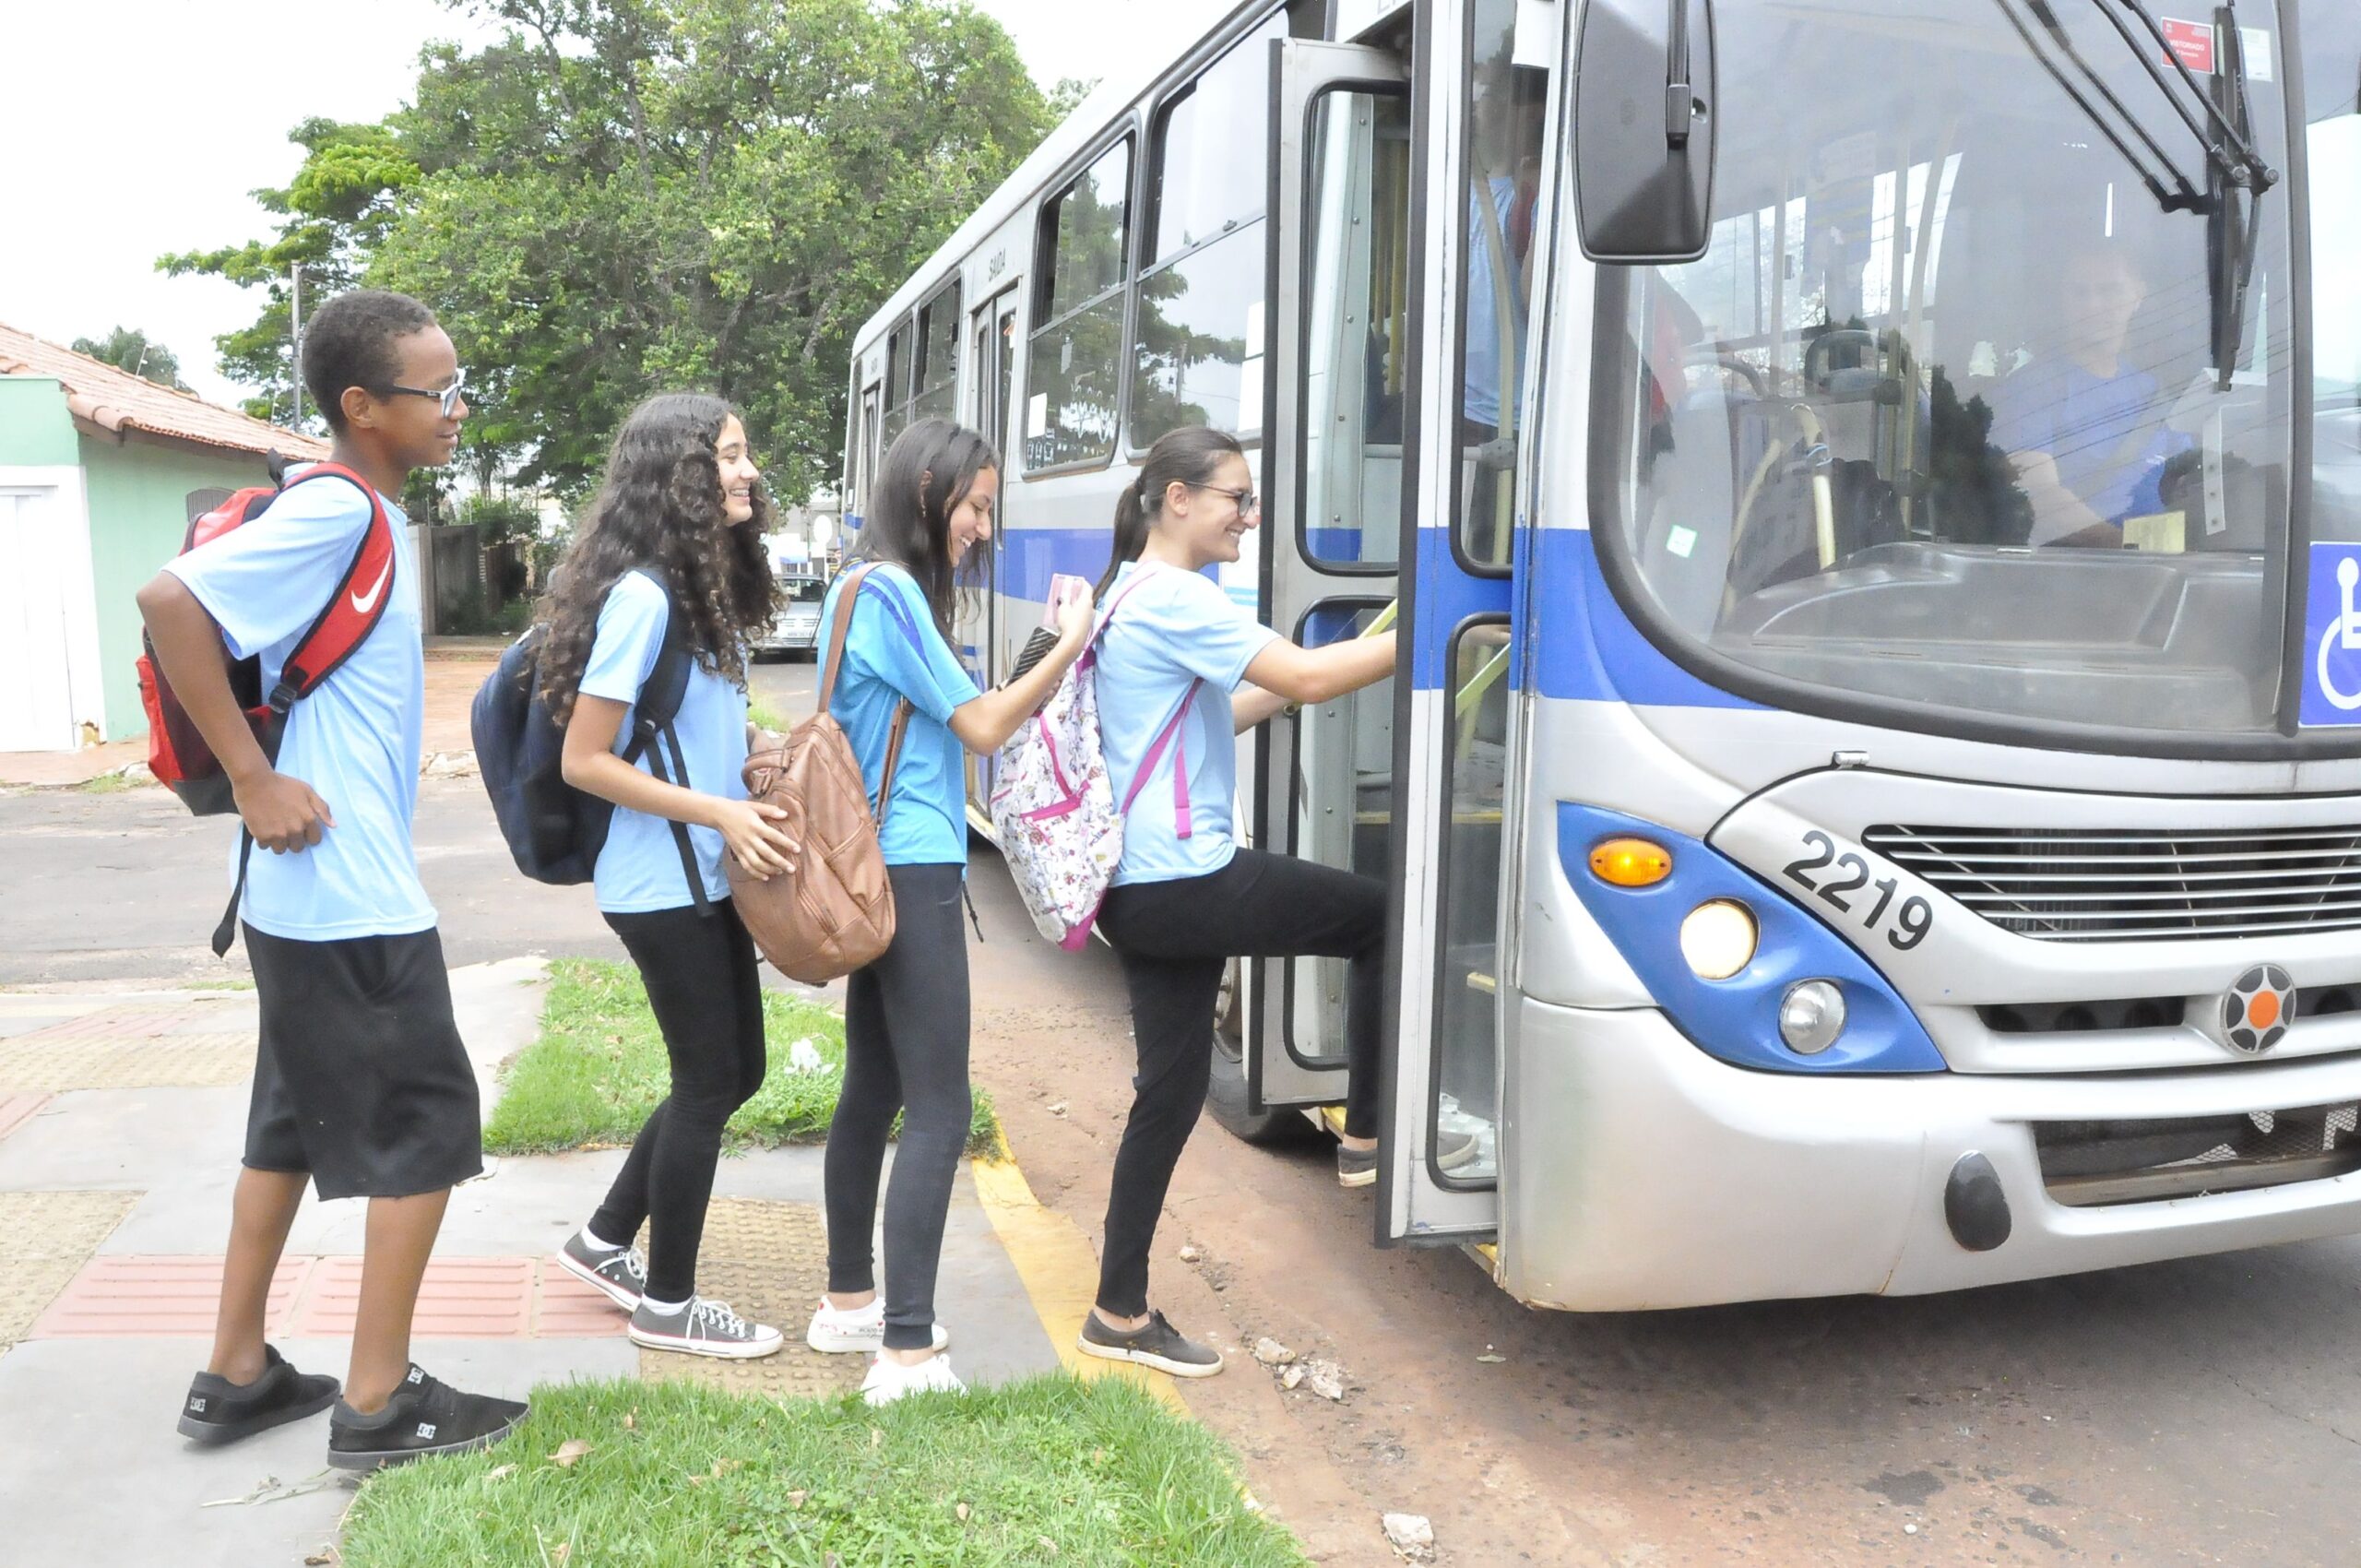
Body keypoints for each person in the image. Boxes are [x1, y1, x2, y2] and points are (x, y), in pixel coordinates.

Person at [136, 290, 528, 1468]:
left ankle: (239, 1370)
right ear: (362, 407)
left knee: (288, 1127)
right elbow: (170, 601)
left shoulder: (359, 513)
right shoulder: (341, 508)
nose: (457, 411)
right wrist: (253, 775)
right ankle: (375, 1400)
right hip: (345, 892)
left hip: (301, 895)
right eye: (436, 391)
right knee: (431, 1124)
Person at [1076, 426, 1472, 1382]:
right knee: (1380, 916)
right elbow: (1297, 671)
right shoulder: (1174, 594)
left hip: (1139, 886)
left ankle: (1116, 1308)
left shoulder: (1130, 590)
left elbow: (1231, 704)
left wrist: (1292, 691)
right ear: (1175, 498)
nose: (1250, 518)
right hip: (1185, 879)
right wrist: (1437, 629)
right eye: (1236, 498)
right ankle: (1369, 1140)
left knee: (1165, 1099)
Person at [807, 418, 1094, 1405]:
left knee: (872, 1090)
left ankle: (849, 1299)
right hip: (915, 866)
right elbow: (980, 724)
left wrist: (1032, 658)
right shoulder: (888, 589)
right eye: (974, 505)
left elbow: (956, 710)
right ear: (928, 490)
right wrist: (1073, 648)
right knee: (940, 1107)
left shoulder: (857, 588)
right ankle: (906, 1349)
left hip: (874, 870)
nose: (980, 526)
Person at [538, 393, 801, 1359]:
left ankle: (606, 1236)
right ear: (677, 476)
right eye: (728, 457)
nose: (747, 472)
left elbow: (694, 729)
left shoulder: (700, 593)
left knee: (740, 1070)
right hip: (659, 885)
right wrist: (724, 811)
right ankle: (670, 1304)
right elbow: (585, 759)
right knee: (705, 1083)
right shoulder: (645, 597)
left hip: (706, 877)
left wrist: (760, 751)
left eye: (745, 454)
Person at [1991, 243, 2192, 547]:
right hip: (2073, 573)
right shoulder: (2031, 390)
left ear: (2138, 295)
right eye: (2079, 293)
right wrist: (2127, 550)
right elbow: (2041, 497)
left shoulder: (2152, 392)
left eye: (2108, 291)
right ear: (2062, 300)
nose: (2093, 305)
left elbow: (2190, 479)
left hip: (2164, 569)